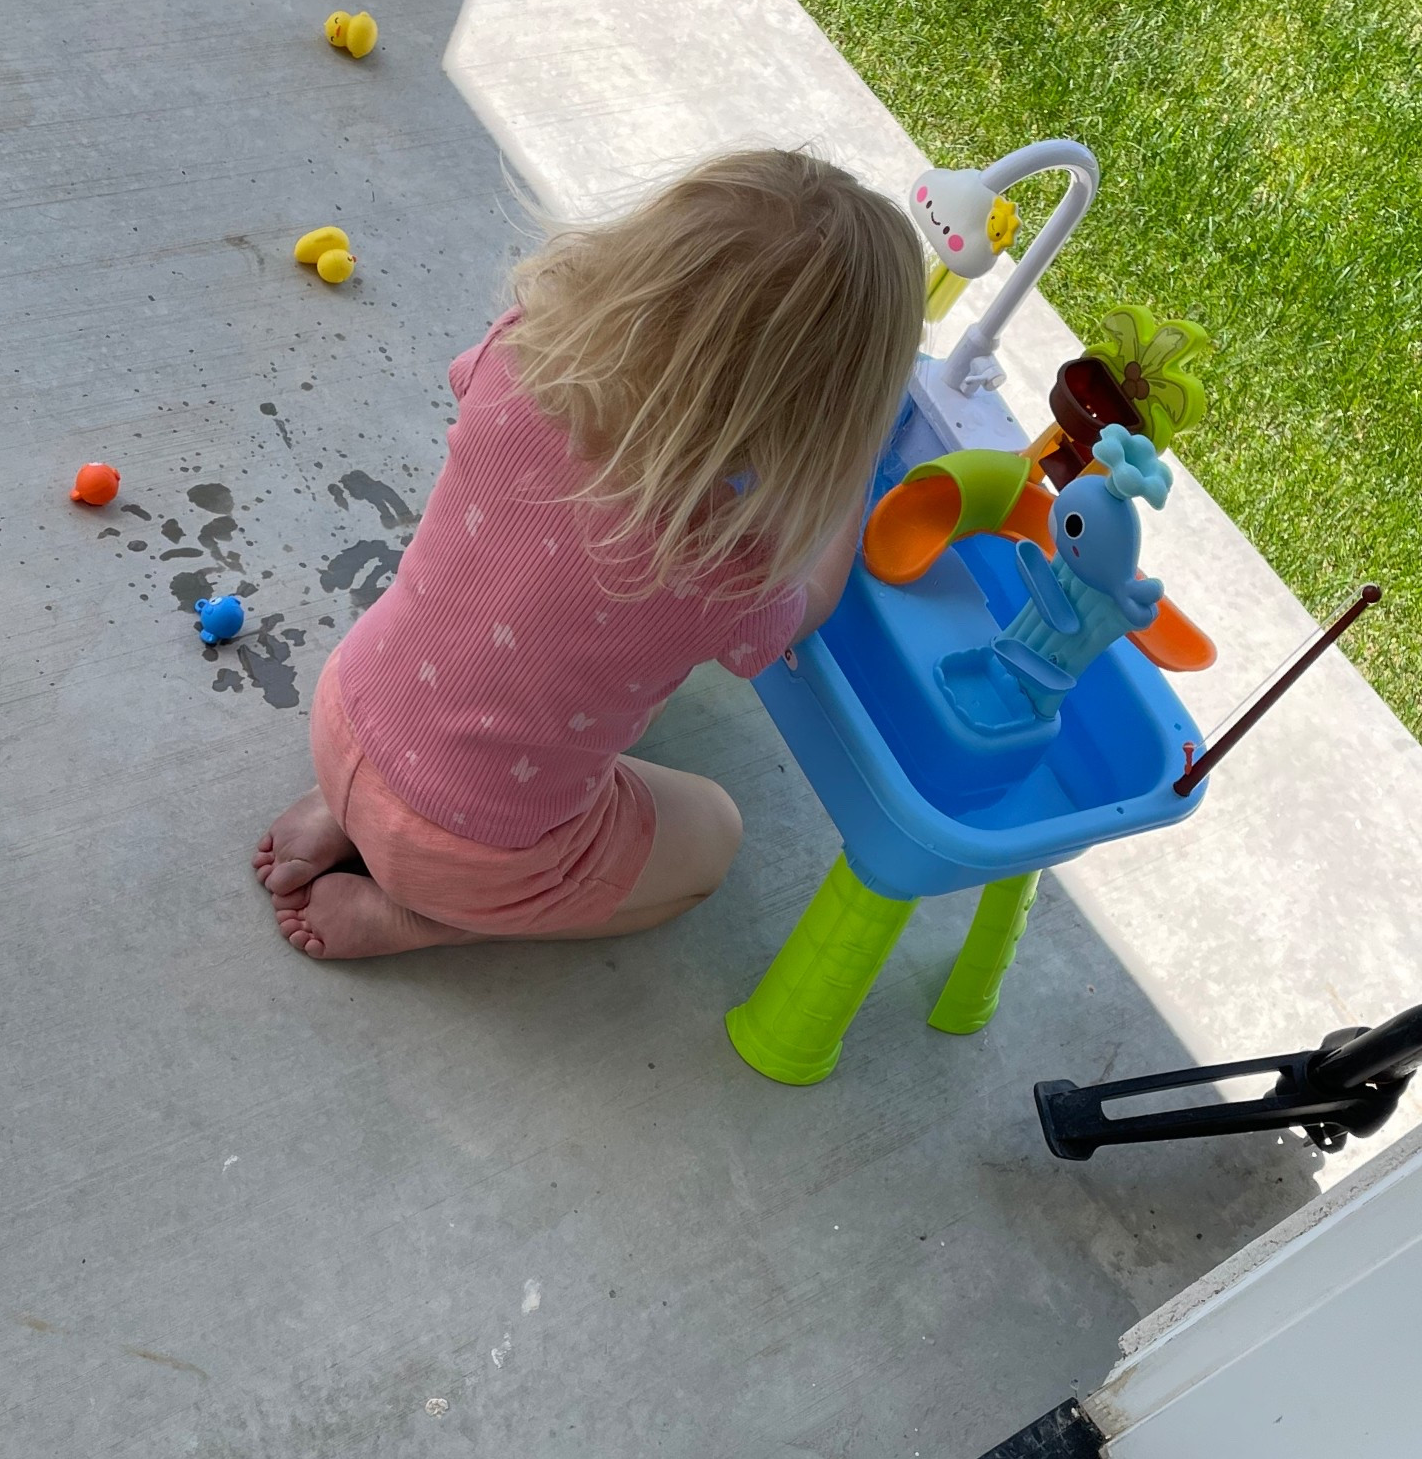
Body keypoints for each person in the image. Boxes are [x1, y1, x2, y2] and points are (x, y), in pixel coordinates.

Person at [254, 148, 927, 959]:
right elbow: (804, 611)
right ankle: (418, 918)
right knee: (714, 834)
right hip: (465, 853)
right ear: (822, 414)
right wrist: (854, 477)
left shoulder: (518, 354)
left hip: (345, 712)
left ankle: (343, 807)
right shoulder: (718, 555)